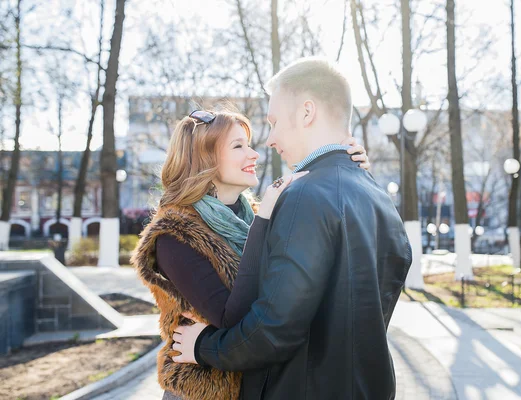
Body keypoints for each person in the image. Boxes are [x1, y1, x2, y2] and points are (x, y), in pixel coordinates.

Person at [171, 58, 412, 400]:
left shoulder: (303, 196)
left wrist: (204, 347)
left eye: (274, 122)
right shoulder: (377, 195)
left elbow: (274, 330)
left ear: (306, 112)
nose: (269, 139)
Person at [131, 107, 370, 400]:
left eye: (249, 144)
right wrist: (264, 220)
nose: (254, 154)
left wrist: (351, 171)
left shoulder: (256, 216)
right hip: (204, 392)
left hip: (260, 383)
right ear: (204, 159)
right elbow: (233, 317)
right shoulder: (174, 234)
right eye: (238, 146)